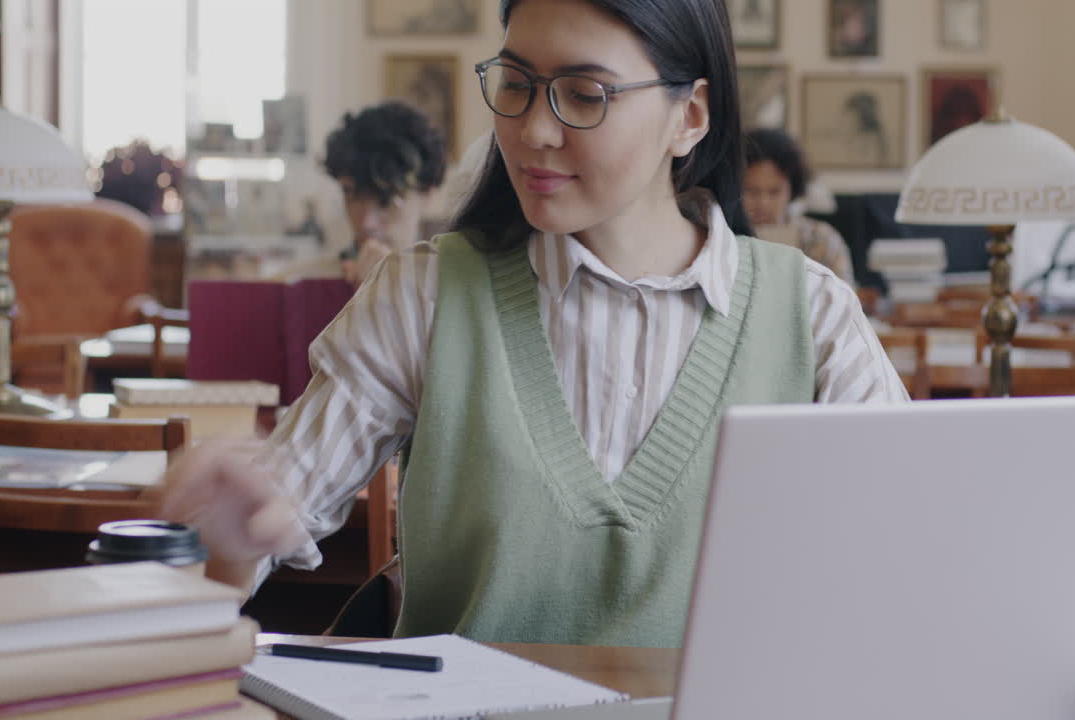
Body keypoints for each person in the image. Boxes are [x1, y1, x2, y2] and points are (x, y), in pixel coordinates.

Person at [159, 0, 907, 648]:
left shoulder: (811, 316)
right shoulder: (425, 295)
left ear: (691, 116)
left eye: (584, 95)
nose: (533, 131)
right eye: (516, 85)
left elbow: (912, 568)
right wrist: (225, 530)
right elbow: (257, 533)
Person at [324, 100, 447, 285]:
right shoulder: (305, 284)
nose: (366, 223)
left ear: (426, 195)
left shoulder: (451, 288)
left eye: (386, 200)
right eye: (352, 195)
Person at [743, 127, 856, 285]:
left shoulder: (822, 239)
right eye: (752, 191)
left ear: (792, 188)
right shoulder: (724, 237)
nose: (763, 203)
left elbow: (846, 299)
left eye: (774, 192)